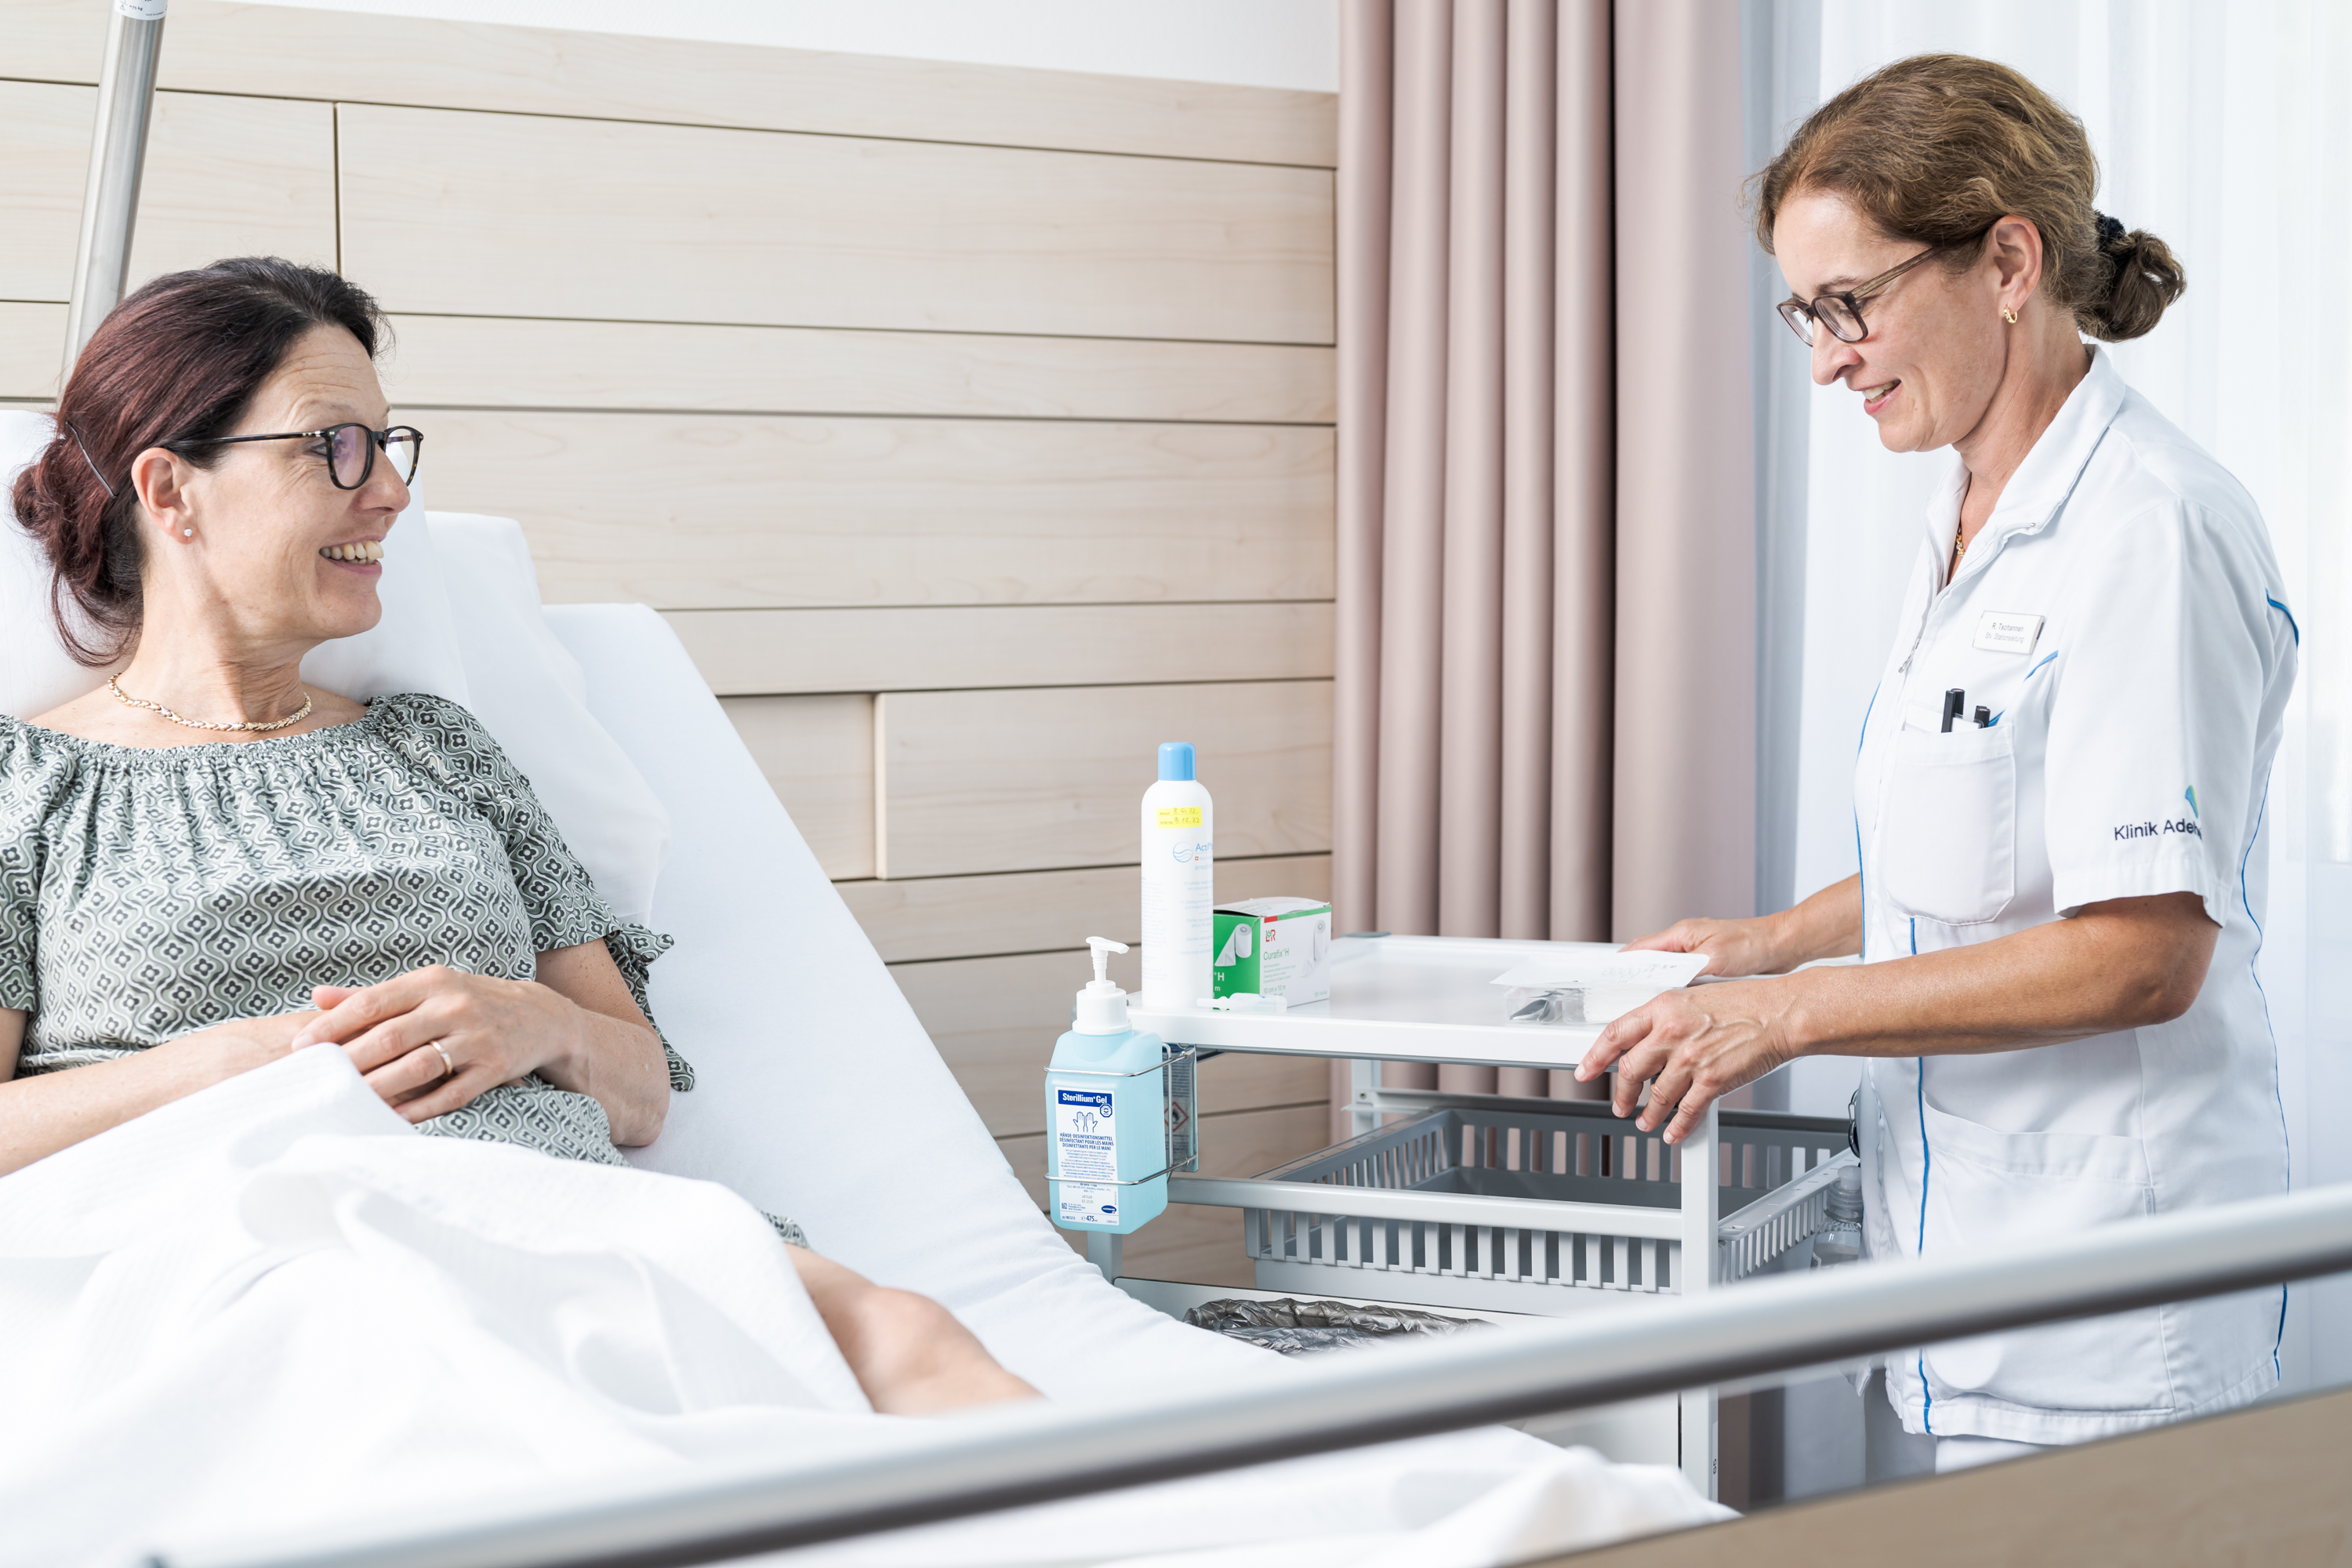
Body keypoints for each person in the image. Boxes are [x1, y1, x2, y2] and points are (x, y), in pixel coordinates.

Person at [0, 256, 1033, 1416]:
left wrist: (534, 1021)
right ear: (171, 490)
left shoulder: (439, 751)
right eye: (337, 446)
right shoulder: (24, 790)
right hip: (254, 1252)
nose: (391, 494)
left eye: (391, 447)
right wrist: (225, 1068)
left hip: (557, 1223)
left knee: (907, 1332)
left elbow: (640, 1090)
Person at [1577, 56, 2296, 1471]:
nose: (1828, 357)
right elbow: (1997, 836)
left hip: (2103, 1315)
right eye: (1809, 313)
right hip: (1945, 1267)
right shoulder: (1971, 506)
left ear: (2009, 264)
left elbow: (2145, 952)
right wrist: (1770, 942)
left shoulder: (2147, 533)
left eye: (1850, 303)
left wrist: (1791, 1013)